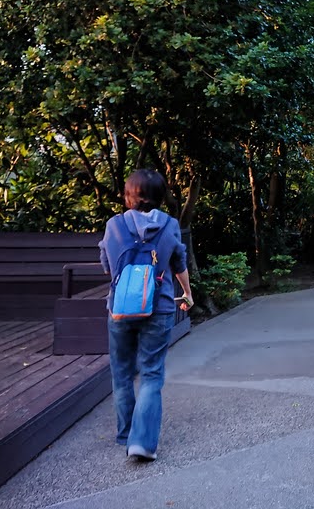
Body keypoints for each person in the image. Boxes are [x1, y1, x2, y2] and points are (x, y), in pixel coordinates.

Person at [99, 169, 193, 462]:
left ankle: (126, 435)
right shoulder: (170, 225)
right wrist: (187, 293)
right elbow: (179, 262)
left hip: (120, 310)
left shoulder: (114, 225)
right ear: (161, 197)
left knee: (122, 373)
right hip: (159, 307)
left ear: (128, 197)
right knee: (151, 374)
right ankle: (142, 442)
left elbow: (106, 266)